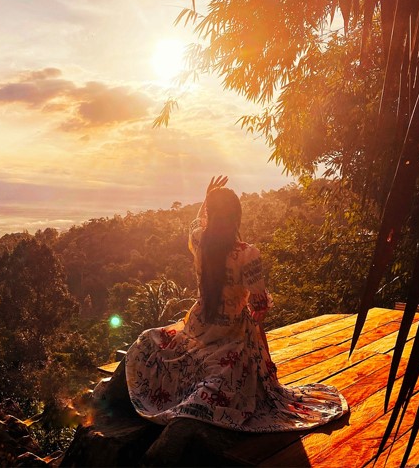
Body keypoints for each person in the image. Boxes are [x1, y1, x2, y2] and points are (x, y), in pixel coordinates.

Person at [125, 176, 348, 432]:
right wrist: (260, 349)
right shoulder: (246, 254)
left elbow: (197, 226)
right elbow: (259, 305)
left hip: (198, 324)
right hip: (233, 332)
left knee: (150, 340)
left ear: (210, 213)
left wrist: (206, 200)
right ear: (236, 217)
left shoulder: (200, 241)